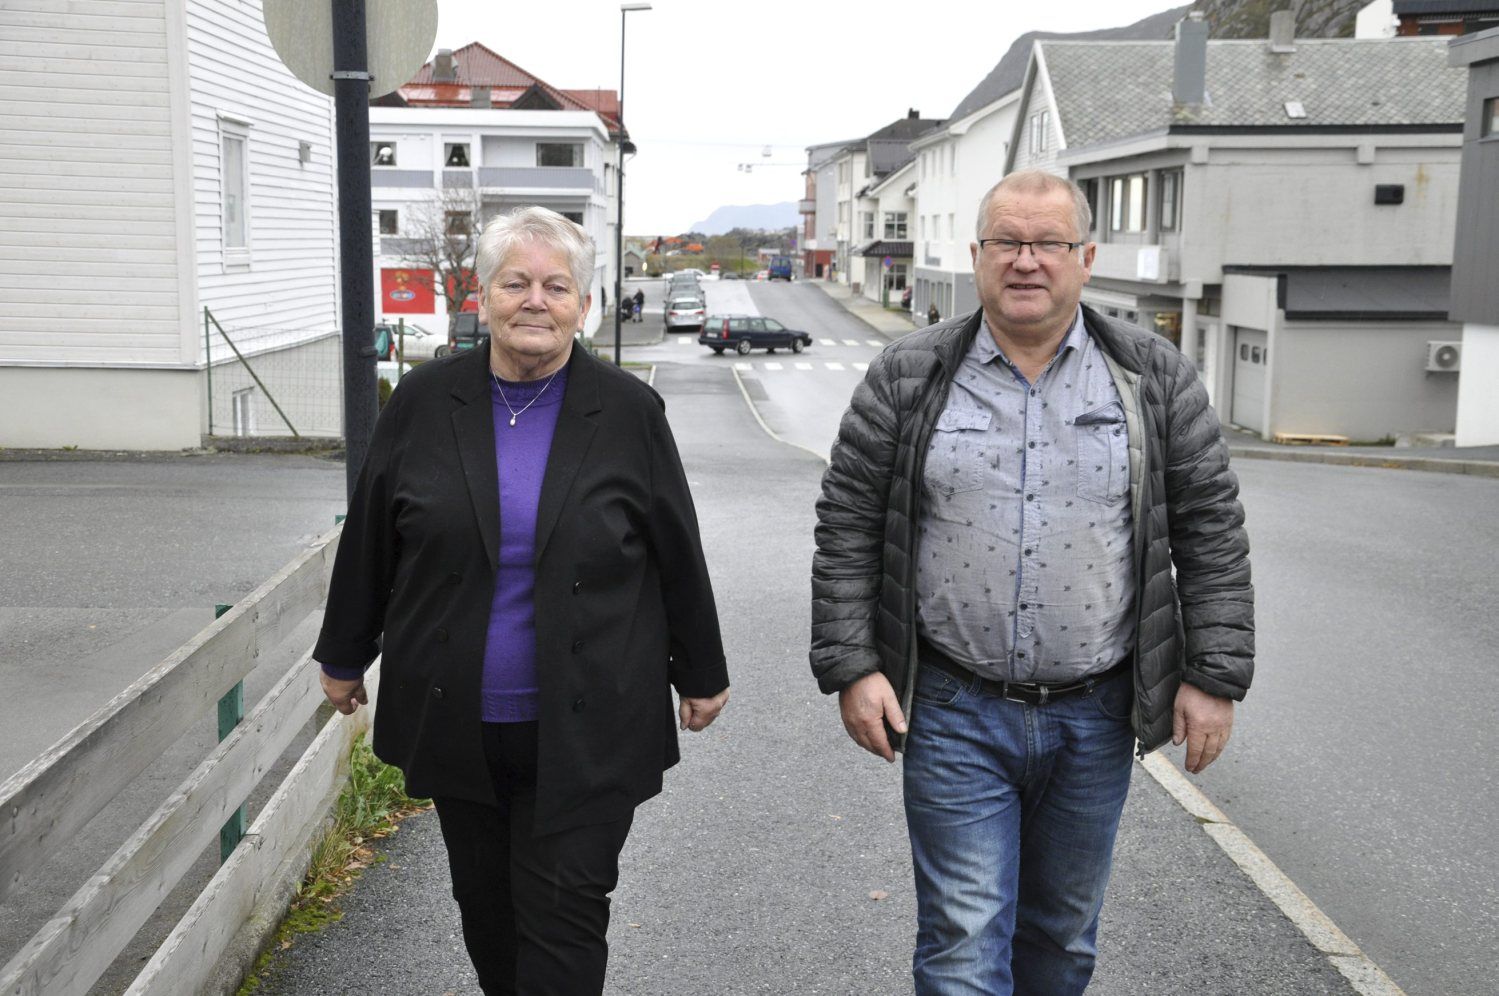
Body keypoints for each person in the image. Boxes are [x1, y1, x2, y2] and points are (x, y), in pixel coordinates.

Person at [810, 170, 1252, 995]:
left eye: (1046, 243)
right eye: (1006, 243)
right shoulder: (910, 375)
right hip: (950, 708)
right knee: (963, 939)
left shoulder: (1151, 377)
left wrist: (1211, 677)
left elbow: (1209, 532)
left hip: (1095, 715)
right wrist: (852, 666)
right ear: (976, 256)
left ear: (1084, 257)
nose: (1025, 261)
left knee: (1060, 940)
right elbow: (847, 525)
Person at [316, 206, 730, 996]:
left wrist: (700, 669)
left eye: (556, 286)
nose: (535, 301)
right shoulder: (425, 402)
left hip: (590, 719)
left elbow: (676, 548)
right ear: (483, 293)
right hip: (457, 712)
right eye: (516, 283)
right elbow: (373, 533)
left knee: (565, 912)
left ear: (583, 302)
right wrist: (344, 651)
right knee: (487, 912)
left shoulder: (627, 413)